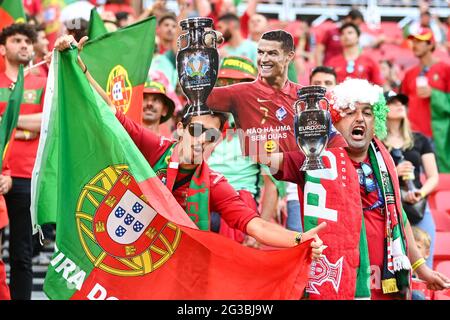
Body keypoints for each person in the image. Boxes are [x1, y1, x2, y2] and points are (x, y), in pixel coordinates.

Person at [54, 34, 327, 260]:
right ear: (180, 129)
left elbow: (254, 224)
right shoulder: (156, 147)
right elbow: (110, 112)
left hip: (177, 257)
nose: (200, 142)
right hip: (133, 247)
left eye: (210, 138)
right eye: (195, 131)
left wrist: (298, 239)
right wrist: (80, 67)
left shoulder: (215, 183)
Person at [260, 78, 450, 299]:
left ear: (376, 121)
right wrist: (260, 114)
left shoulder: (384, 160)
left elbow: (399, 217)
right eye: (350, 112)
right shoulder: (313, 155)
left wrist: (422, 268)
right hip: (339, 279)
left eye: (368, 113)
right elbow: (264, 156)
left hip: (386, 280)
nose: (360, 118)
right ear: (335, 121)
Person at [207, 56, 280, 245]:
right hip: (203, 199)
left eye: (237, 84)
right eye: (224, 83)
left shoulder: (259, 129)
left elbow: (271, 186)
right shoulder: (204, 121)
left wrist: (259, 234)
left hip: (238, 201)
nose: (230, 90)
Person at [0, 23, 45, 300]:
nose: (25, 45)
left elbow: (47, 122)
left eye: (28, 41)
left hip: (27, 175)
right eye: (17, 40)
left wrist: (6, 120)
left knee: (22, 254)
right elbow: (34, 125)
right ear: (3, 48)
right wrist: (24, 127)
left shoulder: (42, 81)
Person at [206, 30, 301, 156]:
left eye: (238, 82)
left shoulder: (265, 107)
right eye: (224, 82)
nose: (230, 87)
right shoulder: (205, 118)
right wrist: (204, 51)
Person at [382, 90, 438, 269]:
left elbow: (433, 176)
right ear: (382, 109)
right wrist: (394, 172)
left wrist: (419, 193)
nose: (399, 105)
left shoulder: (420, 139)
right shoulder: (376, 142)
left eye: (402, 102)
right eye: (393, 102)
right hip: (389, 205)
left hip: (418, 205)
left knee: (425, 258)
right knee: (392, 262)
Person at [400, 27, 450, 172]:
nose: (414, 45)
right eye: (413, 41)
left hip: (438, 135)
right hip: (413, 135)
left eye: (420, 41)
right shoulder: (410, 73)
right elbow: (403, 103)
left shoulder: (445, 69)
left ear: (431, 44)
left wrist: (434, 94)